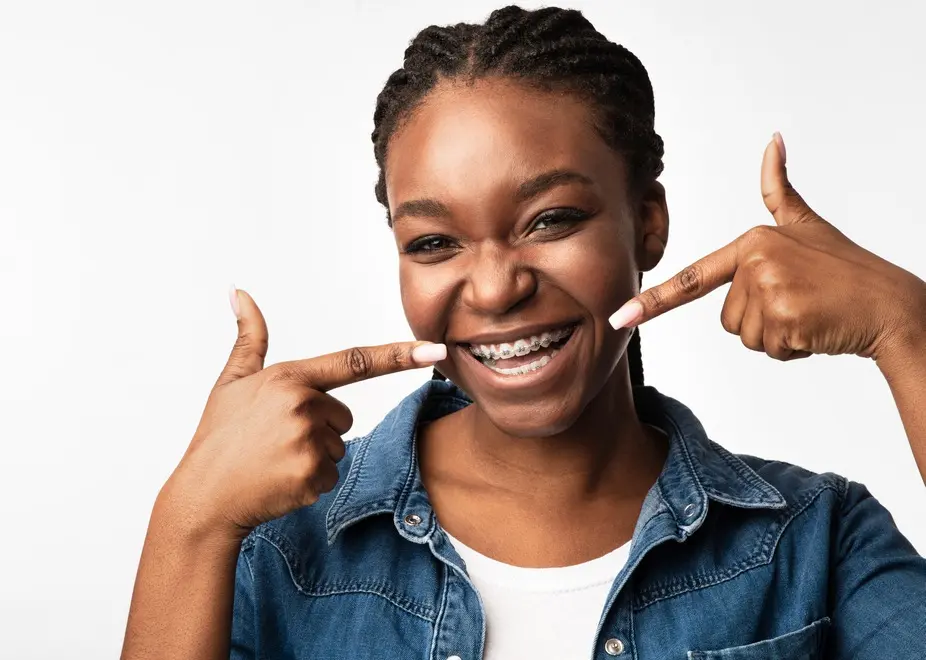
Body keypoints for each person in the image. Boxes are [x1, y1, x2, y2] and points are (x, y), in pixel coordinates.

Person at [121, 5, 926, 659]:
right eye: (434, 242)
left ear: (648, 221)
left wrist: (909, 329)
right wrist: (188, 517)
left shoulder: (813, 542)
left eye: (551, 219)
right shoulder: (277, 551)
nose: (497, 285)